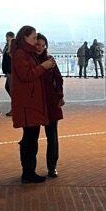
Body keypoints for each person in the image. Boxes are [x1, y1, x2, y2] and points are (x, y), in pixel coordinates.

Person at [11, 25, 56, 183]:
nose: (36, 40)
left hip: (30, 103)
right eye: (34, 37)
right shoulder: (21, 54)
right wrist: (43, 67)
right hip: (28, 104)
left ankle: (29, 171)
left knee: (31, 138)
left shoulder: (25, 53)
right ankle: (28, 172)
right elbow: (26, 75)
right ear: (25, 37)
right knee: (30, 139)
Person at [35, 33, 64, 177]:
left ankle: (52, 167)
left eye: (43, 45)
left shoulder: (50, 60)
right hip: (35, 103)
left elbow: (58, 79)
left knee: (52, 136)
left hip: (50, 102)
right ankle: (30, 169)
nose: (40, 48)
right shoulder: (29, 60)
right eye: (37, 44)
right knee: (31, 137)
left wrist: (59, 95)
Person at [2, 31, 15, 115]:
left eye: (8, 37)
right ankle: (16, 104)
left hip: (11, 71)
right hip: (8, 70)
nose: (6, 39)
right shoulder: (6, 46)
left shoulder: (13, 46)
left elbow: (11, 55)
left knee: (11, 89)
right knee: (7, 87)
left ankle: (14, 107)